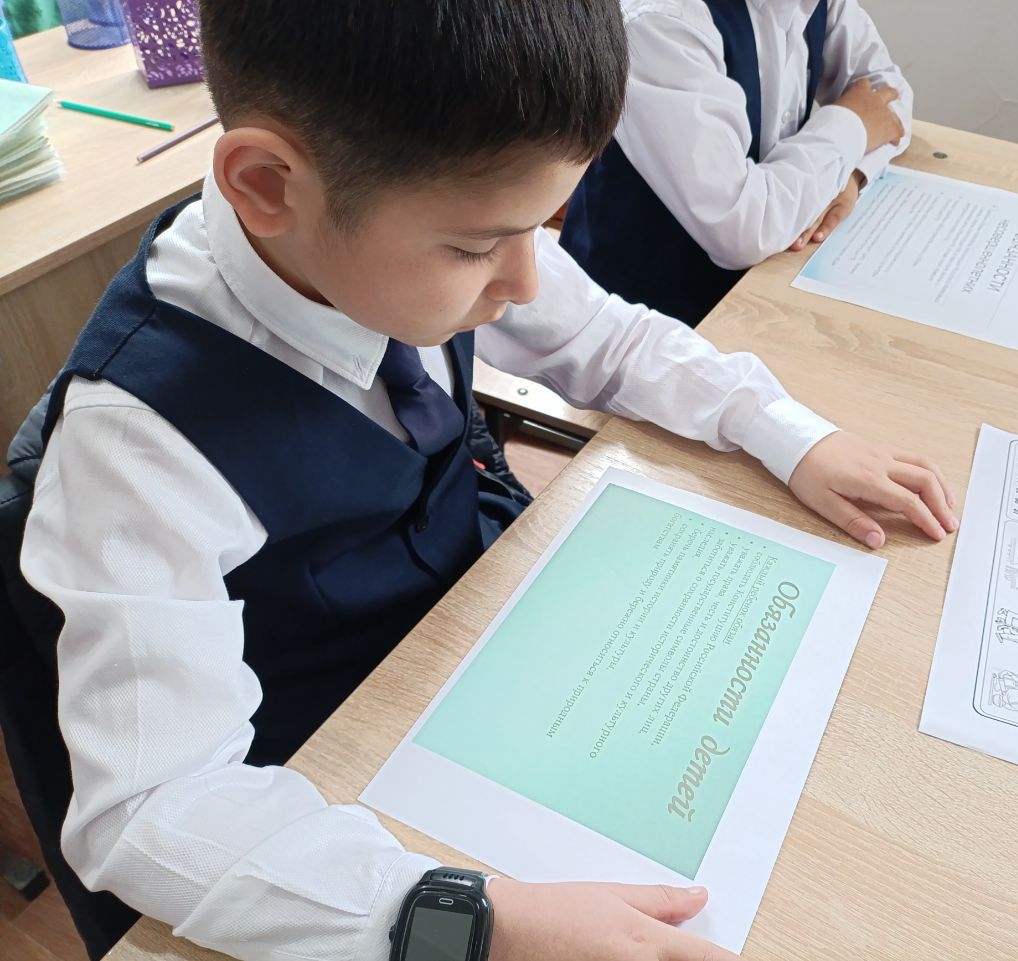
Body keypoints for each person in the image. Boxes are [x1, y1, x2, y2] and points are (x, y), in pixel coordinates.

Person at [5, 2, 955, 959]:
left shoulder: (393, 231)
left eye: (542, 226)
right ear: (265, 184)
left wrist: (786, 432)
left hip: (478, 647)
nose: (525, 282)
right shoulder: (135, 446)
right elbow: (152, 809)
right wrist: (474, 920)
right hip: (330, 777)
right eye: (475, 247)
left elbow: (607, 337)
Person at [561, 0, 912, 325]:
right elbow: (743, 229)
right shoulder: (661, 19)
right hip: (641, 322)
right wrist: (853, 127)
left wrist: (849, 176)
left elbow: (891, 96)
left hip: (762, 295)